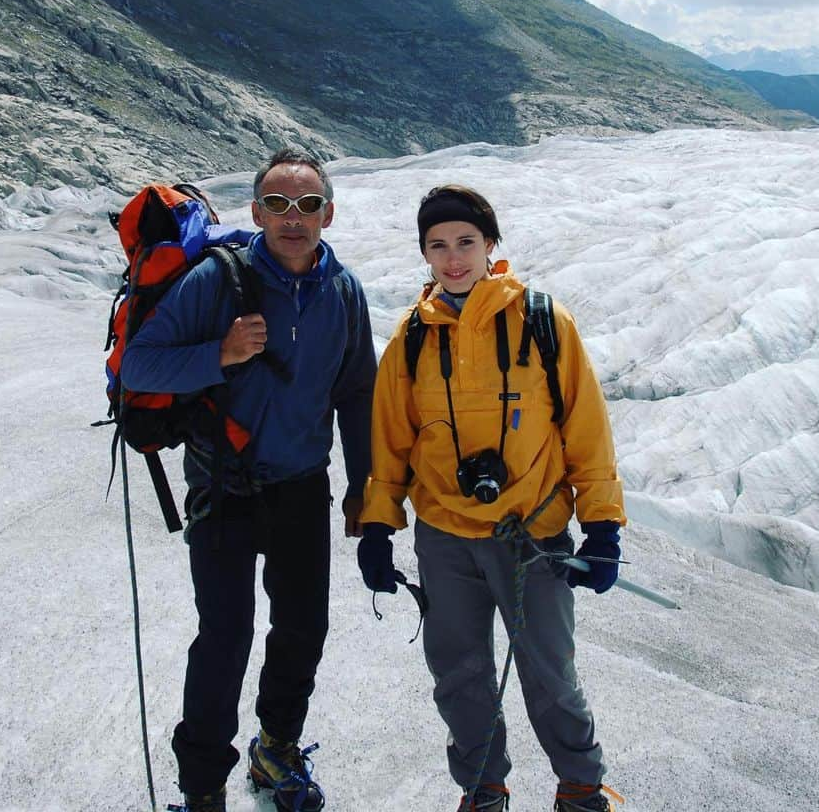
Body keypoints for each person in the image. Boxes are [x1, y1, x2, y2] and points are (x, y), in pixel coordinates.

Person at [121, 149, 376, 812]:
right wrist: (221, 354)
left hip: (300, 487)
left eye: (309, 204)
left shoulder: (342, 291)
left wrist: (362, 484)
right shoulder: (215, 281)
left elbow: (356, 393)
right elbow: (139, 371)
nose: (294, 218)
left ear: (329, 212)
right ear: (256, 211)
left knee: (302, 629)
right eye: (280, 205)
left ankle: (275, 749)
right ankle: (203, 787)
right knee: (226, 636)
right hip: (223, 484)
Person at [357, 184, 626, 812]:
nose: (453, 259)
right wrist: (377, 525)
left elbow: (585, 429)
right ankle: (484, 790)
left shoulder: (543, 322)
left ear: (491, 245)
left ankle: (581, 788)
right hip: (446, 537)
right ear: (425, 253)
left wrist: (604, 523)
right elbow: (390, 442)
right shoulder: (411, 339)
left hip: (532, 532)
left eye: (466, 242)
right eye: (438, 245)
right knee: (460, 674)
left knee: (550, 671)